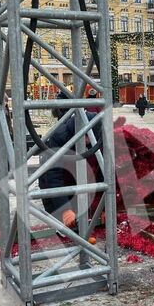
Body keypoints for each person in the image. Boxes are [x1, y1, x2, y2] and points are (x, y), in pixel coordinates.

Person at [39, 94, 103, 228]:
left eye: (89, 137)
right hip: (57, 187)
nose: (86, 141)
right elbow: (53, 176)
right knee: (65, 228)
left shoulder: (100, 138)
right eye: (84, 136)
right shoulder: (59, 137)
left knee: (86, 225)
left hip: (82, 184)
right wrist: (64, 208)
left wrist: (104, 206)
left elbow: (104, 172)